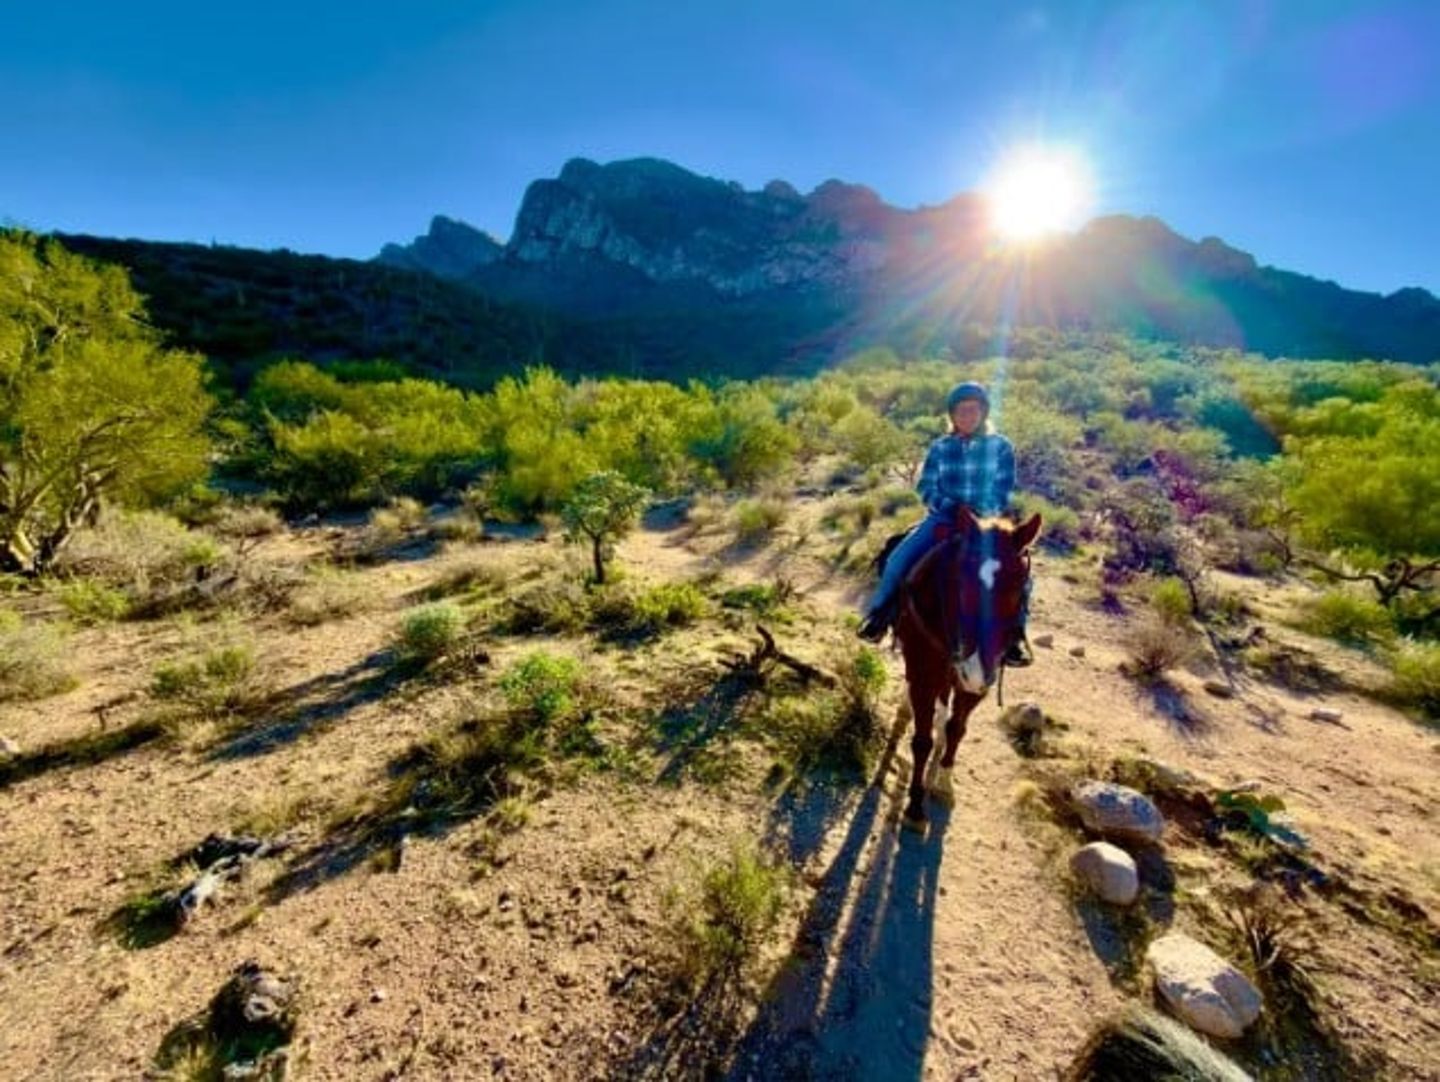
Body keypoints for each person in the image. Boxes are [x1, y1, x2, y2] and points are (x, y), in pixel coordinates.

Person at [856, 380, 1033, 666]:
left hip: (985, 523)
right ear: (952, 415)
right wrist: (951, 507)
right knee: (898, 558)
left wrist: (978, 512)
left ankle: (1015, 638)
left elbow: (1003, 489)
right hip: (943, 518)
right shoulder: (940, 447)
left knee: (1020, 575)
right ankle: (878, 617)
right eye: (961, 411)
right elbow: (925, 487)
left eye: (973, 410)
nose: (967, 416)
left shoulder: (1001, 447)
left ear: (984, 412)